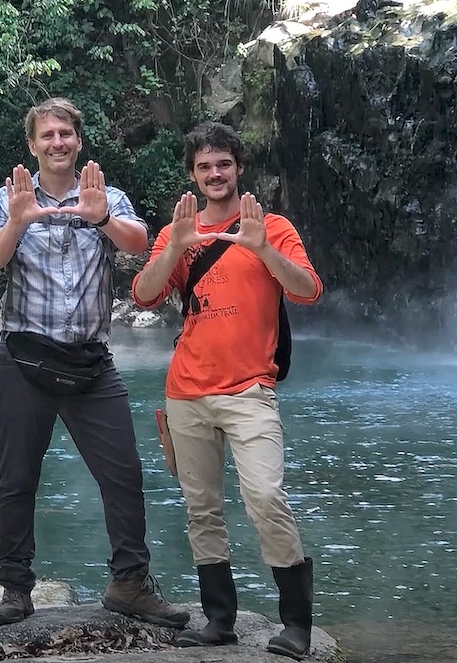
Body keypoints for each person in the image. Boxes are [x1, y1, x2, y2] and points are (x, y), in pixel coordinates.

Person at [0, 97, 190, 629]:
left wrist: (101, 219)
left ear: (78, 141)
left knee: (124, 474)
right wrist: (19, 221)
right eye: (47, 135)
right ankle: (15, 588)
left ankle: (129, 583)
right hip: (24, 357)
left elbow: (141, 244)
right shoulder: (9, 199)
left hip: (92, 362)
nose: (57, 143)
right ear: (32, 145)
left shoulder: (107, 195)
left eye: (65, 134)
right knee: (16, 478)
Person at [131, 121, 322, 660]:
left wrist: (263, 249)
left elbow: (307, 291)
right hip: (186, 391)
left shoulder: (271, 226)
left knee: (265, 496)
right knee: (202, 508)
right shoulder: (178, 232)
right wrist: (176, 248)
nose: (215, 174)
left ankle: (297, 624)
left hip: (250, 390)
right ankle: (220, 619)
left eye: (224, 165)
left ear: (238, 169)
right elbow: (144, 295)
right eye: (204, 167)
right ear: (192, 174)